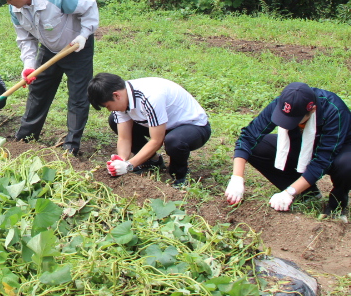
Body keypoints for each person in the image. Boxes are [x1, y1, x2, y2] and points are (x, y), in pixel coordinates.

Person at [0, 0, 98, 155]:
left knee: (78, 97)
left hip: (76, 47)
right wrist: (29, 65)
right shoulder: (14, 8)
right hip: (49, 49)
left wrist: (84, 35)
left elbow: (89, 7)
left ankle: (71, 146)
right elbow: (25, 39)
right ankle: (25, 138)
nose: (8, 4)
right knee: (38, 90)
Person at [225, 82, 351, 217]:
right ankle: (307, 193)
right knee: (258, 147)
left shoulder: (334, 111)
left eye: (294, 120)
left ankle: (336, 206)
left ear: (312, 110)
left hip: (337, 151)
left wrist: (289, 192)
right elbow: (248, 137)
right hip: (301, 144)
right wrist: (237, 178)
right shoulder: (283, 104)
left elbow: (322, 161)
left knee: (347, 165)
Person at [87, 73, 211, 187]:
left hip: (193, 127)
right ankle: (152, 160)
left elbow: (157, 140)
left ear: (116, 95)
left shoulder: (151, 97)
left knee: (174, 141)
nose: (109, 109)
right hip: (161, 124)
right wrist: (122, 161)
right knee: (114, 119)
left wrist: (129, 166)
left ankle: (180, 176)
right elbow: (124, 137)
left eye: (108, 106)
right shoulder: (123, 96)